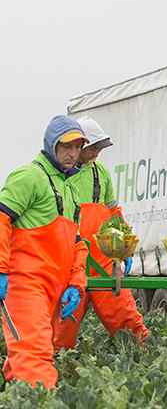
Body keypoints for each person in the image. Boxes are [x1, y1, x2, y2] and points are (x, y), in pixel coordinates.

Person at [0, 115, 88, 388]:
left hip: (53, 291)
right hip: (25, 286)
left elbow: (77, 243)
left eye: (77, 147)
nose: (72, 154)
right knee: (35, 361)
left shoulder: (68, 188)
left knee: (26, 359)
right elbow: (1, 219)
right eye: (66, 147)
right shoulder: (29, 177)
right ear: (51, 145)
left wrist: (76, 282)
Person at [53, 117, 148, 350]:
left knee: (125, 314)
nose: (97, 152)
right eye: (93, 147)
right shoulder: (57, 176)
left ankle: (142, 355)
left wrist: (124, 248)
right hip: (70, 261)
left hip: (102, 261)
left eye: (100, 147)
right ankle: (53, 369)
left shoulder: (101, 174)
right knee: (64, 323)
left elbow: (114, 213)